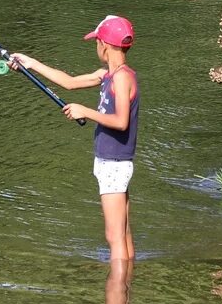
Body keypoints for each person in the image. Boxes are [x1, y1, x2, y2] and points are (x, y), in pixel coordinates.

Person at [9, 15, 139, 261]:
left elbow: (121, 122)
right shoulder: (108, 75)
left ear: (104, 44)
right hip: (113, 162)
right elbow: (68, 82)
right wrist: (31, 63)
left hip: (114, 163)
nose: (96, 47)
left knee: (114, 236)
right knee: (122, 233)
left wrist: (85, 112)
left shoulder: (121, 78)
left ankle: (117, 291)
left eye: (96, 42)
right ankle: (126, 285)